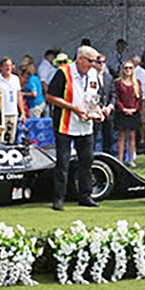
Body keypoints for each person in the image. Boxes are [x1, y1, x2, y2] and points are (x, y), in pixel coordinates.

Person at [45, 45, 109, 211]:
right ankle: (59, 198)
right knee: (63, 163)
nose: (92, 65)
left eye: (95, 62)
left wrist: (99, 111)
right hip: (65, 124)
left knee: (87, 162)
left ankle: (85, 195)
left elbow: (96, 98)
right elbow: (51, 96)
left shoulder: (94, 74)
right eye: (90, 61)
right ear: (80, 59)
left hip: (86, 125)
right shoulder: (64, 72)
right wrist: (73, 108)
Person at [0, 57, 25, 145]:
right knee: (0, 139)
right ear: (1, 67)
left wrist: (22, 111)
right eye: (6, 66)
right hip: (1, 114)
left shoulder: (15, 79)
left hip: (13, 113)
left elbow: (18, 95)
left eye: (10, 65)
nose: (8, 68)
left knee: (11, 138)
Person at [114, 60, 143, 167]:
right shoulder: (118, 83)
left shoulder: (137, 83)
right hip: (122, 112)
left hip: (134, 112)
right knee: (121, 136)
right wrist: (123, 109)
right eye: (126, 68)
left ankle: (131, 159)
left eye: (130, 68)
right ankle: (120, 159)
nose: (128, 70)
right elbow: (116, 98)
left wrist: (135, 109)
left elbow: (139, 99)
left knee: (132, 136)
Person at [96, 55, 115, 154]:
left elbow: (113, 94)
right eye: (99, 62)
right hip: (96, 112)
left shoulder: (108, 77)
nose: (101, 64)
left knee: (109, 138)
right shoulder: (91, 77)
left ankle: (109, 156)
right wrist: (99, 107)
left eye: (103, 62)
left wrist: (110, 106)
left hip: (108, 112)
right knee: (94, 137)